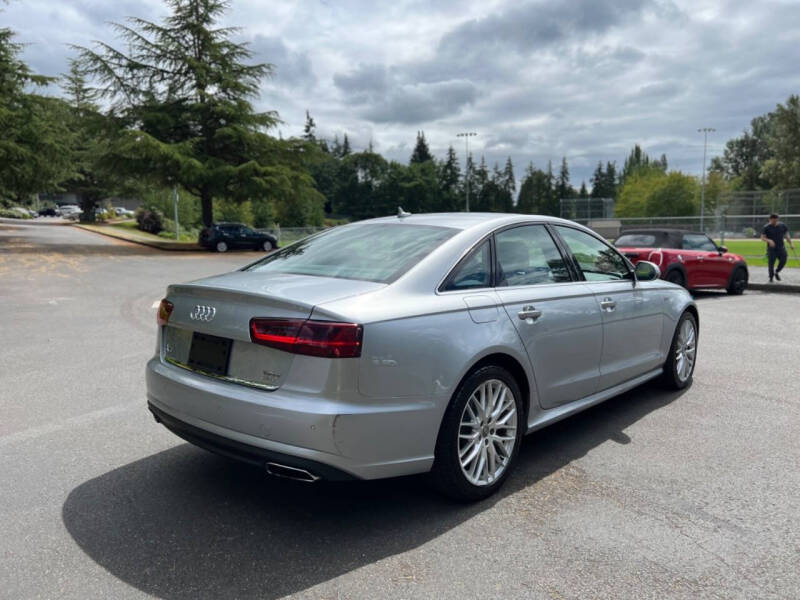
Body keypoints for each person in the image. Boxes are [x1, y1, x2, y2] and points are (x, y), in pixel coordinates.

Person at [761, 213, 794, 282]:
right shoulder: (766, 227)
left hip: (781, 247)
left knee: (784, 260)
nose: (774, 222)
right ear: (770, 219)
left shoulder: (782, 225)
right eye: (773, 221)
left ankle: (777, 271)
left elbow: (786, 235)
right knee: (771, 264)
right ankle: (771, 278)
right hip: (771, 249)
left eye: (776, 221)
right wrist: (769, 240)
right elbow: (763, 238)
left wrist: (791, 243)